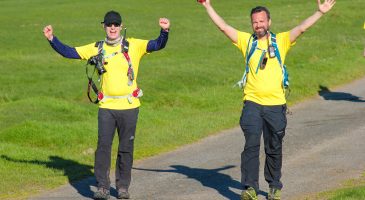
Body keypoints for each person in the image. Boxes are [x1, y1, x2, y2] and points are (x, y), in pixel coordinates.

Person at [199, 0, 335, 199]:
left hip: (275, 106)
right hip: (252, 103)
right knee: (251, 146)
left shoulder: (280, 41)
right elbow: (223, 27)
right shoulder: (247, 41)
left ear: (269, 22)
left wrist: (320, 12)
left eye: (262, 21)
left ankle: (273, 186)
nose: (258, 25)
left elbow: (302, 28)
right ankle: (250, 188)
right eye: (255, 22)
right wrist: (207, 5)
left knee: (273, 147)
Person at [43, 11, 170, 200]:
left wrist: (164, 31)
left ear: (121, 26)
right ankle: (102, 187)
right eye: (109, 24)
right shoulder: (97, 47)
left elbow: (157, 44)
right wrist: (52, 38)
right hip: (107, 108)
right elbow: (70, 52)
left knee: (126, 149)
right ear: (104, 26)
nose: (112, 28)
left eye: (116, 25)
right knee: (103, 147)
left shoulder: (133, 45)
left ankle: (123, 188)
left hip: (129, 106)